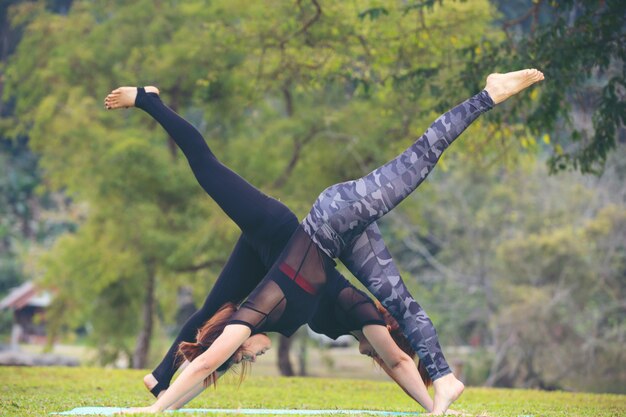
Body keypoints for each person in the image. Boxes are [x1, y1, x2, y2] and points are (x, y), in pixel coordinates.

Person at [105, 68, 544, 414]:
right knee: (399, 301)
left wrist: (153, 413)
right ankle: (444, 388)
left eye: (242, 356)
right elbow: (396, 361)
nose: (250, 359)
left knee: (417, 164)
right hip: (325, 236)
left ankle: (148, 99)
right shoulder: (346, 310)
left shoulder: (262, 307)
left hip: (296, 224)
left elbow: (205, 363)